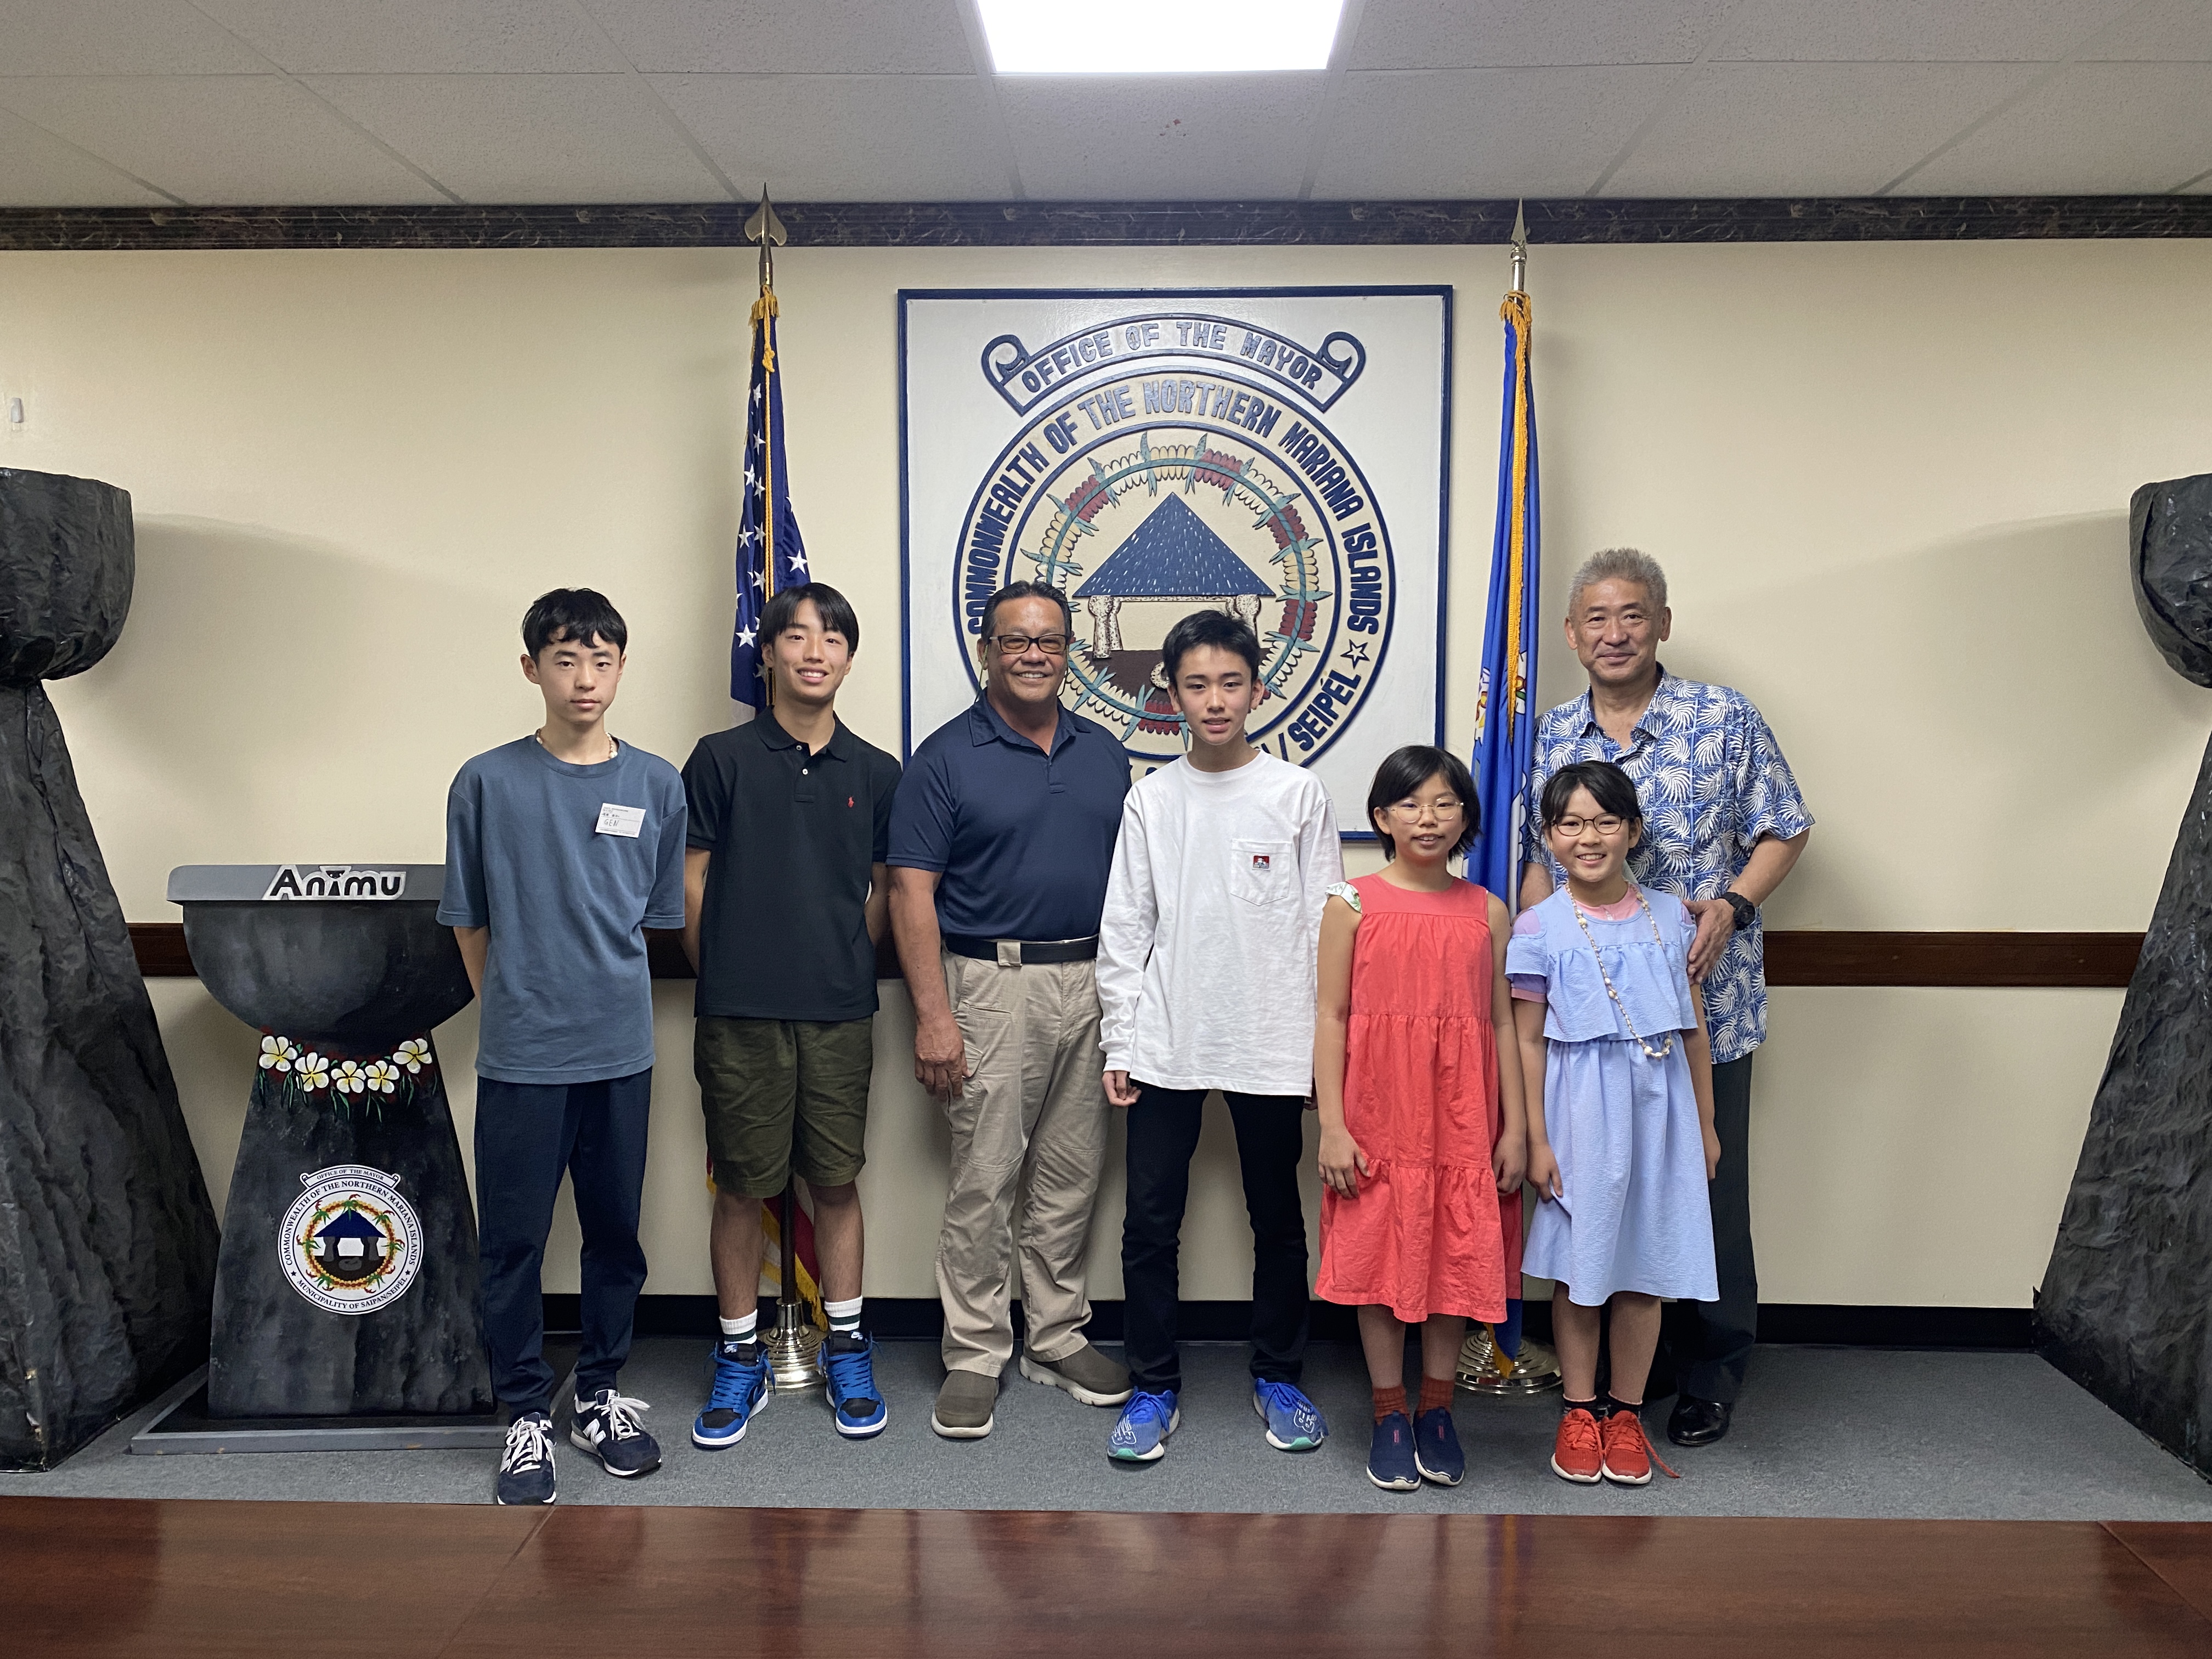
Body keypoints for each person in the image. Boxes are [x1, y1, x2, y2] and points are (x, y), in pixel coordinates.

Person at [1521, 548, 1812, 1448]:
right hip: (1584, 1026)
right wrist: (1537, 949)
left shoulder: (1721, 717)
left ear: (1663, 623)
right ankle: (1608, 1386)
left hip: (1702, 1008)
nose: (1615, 634)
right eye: (1597, 620)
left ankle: (1712, 1370)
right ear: (1572, 634)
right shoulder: (1552, 734)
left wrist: (1732, 904)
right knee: (1594, 1191)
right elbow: (1539, 863)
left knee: (1705, 1192)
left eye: (1633, 615)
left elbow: (1786, 826)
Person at [438, 588, 686, 1506]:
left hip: (621, 1052)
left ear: (622, 668)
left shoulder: (658, 785)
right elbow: (469, 922)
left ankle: (603, 1396)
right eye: (566, 659)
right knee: (514, 1243)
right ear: (532, 668)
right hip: (522, 1058)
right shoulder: (486, 782)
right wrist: (513, 1007)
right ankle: (524, 1416)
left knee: (616, 1237)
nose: (585, 678)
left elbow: (655, 920)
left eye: (603, 660)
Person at [888, 580, 1136, 1439]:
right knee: (986, 1177)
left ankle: (1057, 1335)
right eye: (1016, 640)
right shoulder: (945, 757)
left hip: (1094, 983)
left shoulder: (1104, 754)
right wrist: (933, 1016)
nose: (1035, 654)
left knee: (1072, 1175)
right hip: (990, 984)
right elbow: (910, 892)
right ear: (986, 650)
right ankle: (974, 1352)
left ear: (1071, 652)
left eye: (1052, 641)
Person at [1096, 610, 1342, 1464]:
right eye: (1195, 684)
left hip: (1272, 1039)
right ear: (1170, 693)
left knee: (1276, 1216)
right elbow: (1125, 927)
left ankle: (1278, 1373)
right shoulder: (1152, 800)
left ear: (1258, 689)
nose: (1214, 700)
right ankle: (1154, 1386)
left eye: (1230, 683)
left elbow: (1324, 930)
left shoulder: (1296, 793)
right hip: (1167, 1036)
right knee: (1150, 1222)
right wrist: (1119, 1042)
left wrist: (1322, 1053)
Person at [679, 583, 902, 1451]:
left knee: (837, 1180)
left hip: (840, 1013)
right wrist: (723, 965)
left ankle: (846, 1342)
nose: (816, 650)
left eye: (834, 637)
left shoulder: (878, 770)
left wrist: (847, 959)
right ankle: (739, 1354)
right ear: (765, 653)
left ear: (849, 657)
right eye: (797, 637)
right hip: (739, 1012)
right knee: (742, 1186)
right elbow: (691, 878)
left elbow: (885, 893)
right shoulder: (719, 757)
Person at [1313, 745, 1526, 1492]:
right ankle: (1388, 1412)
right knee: (1381, 1258)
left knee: (1449, 1259)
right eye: (1410, 804)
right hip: (1380, 1111)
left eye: (1444, 803)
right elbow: (1332, 1016)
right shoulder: (1351, 904)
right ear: (1381, 817)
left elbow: (1502, 1024)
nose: (1428, 818)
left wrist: (1516, 1128)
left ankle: (1438, 1408)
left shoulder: (1488, 912)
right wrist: (1333, 1125)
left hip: (1464, 1114)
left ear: (1466, 816)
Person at [1510, 760, 1721, 1487]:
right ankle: (1579, 1408)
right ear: (1549, 836)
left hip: (1660, 1108)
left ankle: (1626, 1413)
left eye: (1604, 820)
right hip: (1577, 1111)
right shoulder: (1537, 927)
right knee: (1581, 1264)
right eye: (1570, 823)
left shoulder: (1672, 916)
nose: (1588, 837)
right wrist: (1536, 1138)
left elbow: (1693, 1030)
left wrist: (1709, 1127)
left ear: (1633, 829)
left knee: (1646, 1264)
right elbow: (1527, 1041)